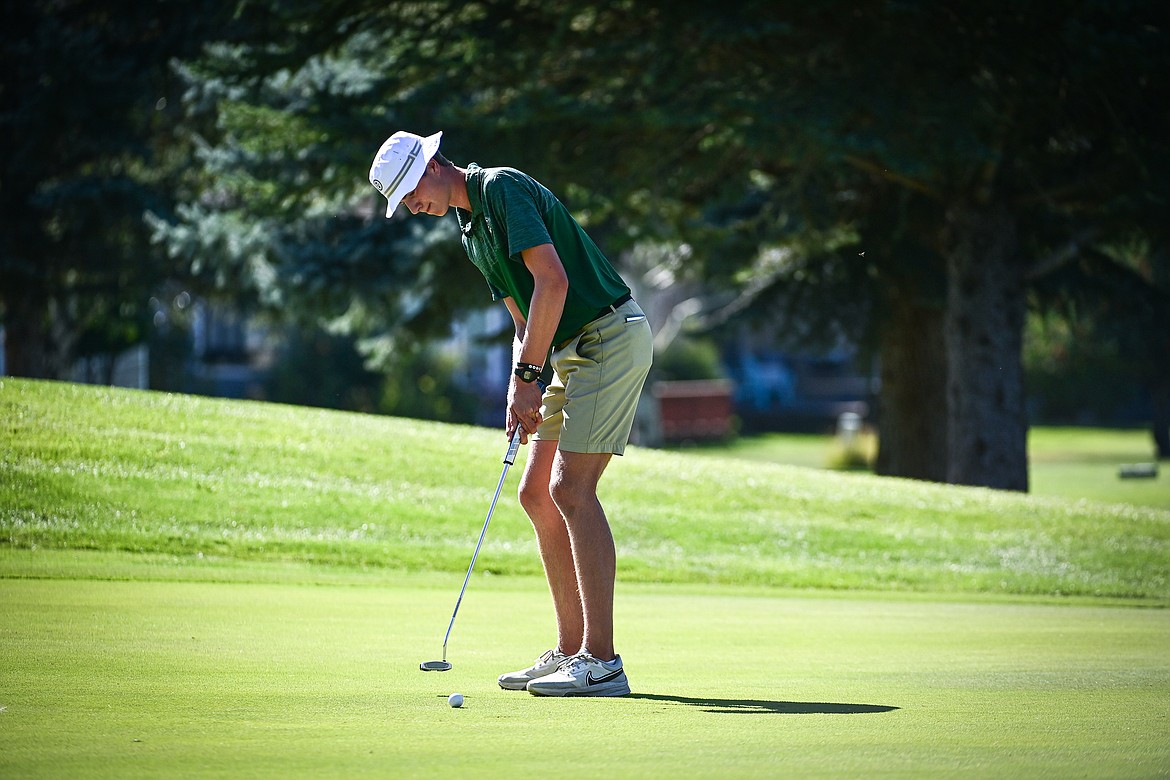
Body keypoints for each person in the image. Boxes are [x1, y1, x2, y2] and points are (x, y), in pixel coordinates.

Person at [369, 131, 652, 697]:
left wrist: (529, 378)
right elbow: (524, 320)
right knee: (535, 493)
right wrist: (515, 388)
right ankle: (571, 651)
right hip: (567, 352)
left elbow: (554, 280)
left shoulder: (500, 188)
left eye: (408, 192)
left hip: (608, 338)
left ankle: (603, 662)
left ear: (431, 166)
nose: (409, 207)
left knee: (571, 489)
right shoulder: (470, 230)